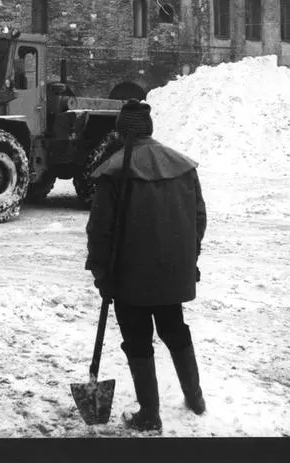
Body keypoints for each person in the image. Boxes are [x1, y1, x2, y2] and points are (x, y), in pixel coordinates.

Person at [84, 100, 207, 433]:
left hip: (129, 277)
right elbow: (198, 218)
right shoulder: (182, 166)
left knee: (137, 339)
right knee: (174, 329)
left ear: (123, 132)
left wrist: (100, 270)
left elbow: (100, 228)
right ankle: (195, 398)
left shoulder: (116, 171)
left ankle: (150, 414)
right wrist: (189, 258)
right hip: (172, 273)